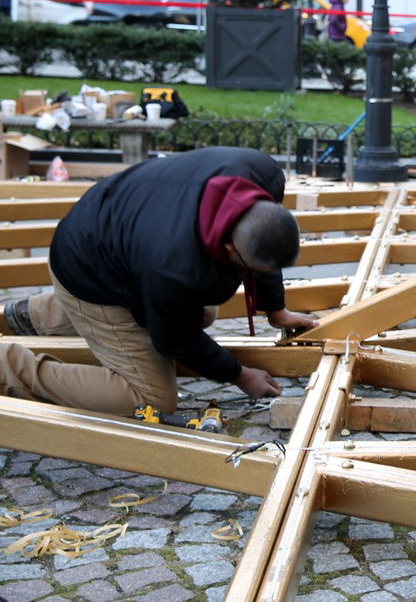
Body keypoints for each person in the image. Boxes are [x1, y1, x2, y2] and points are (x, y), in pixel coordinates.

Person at [0, 147, 318, 416]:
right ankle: (10, 367)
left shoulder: (263, 175)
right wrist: (239, 374)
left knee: (204, 310)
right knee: (152, 398)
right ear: (228, 247)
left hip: (115, 233)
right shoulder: (175, 266)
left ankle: (39, 316)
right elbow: (175, 340)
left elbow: (264, 236)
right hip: (88, 267)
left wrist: (276, 309)